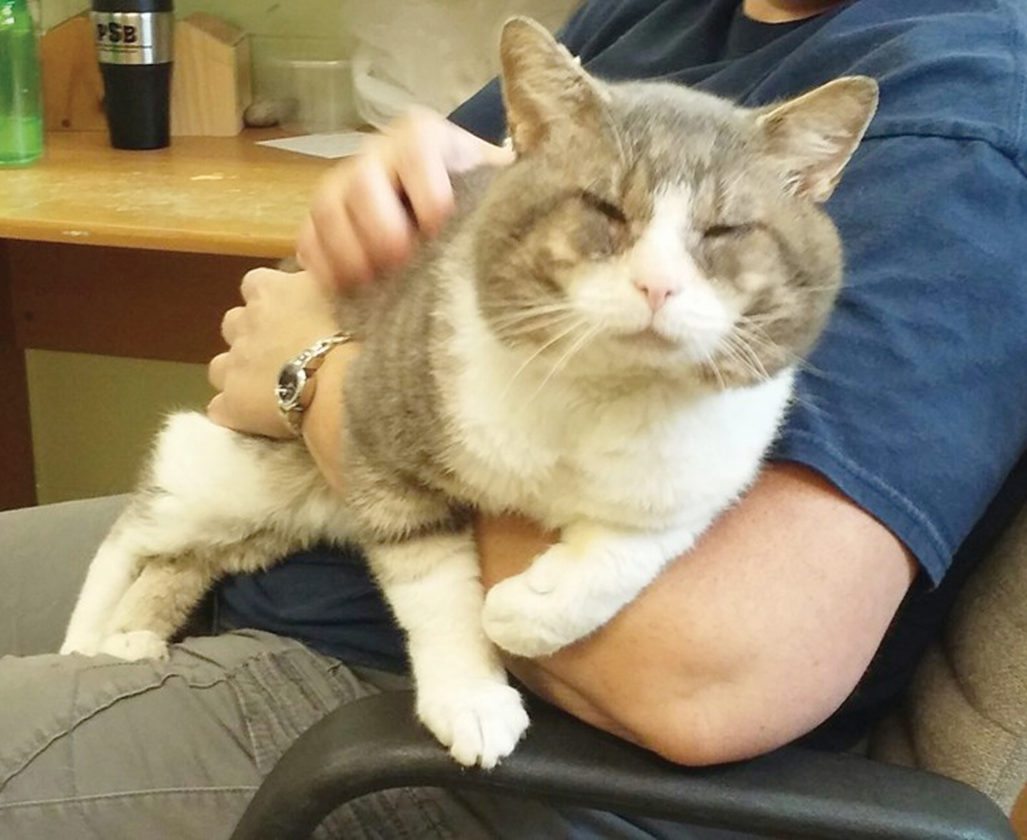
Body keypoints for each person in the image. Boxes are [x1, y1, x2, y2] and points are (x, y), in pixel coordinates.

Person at [1, 0, 1025, 837]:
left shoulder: (959, 127)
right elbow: (441, 223)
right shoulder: (654, 18)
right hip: (302, 552)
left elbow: (704, 682)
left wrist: (313, 375)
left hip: (437, 736)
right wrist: (389, 189)